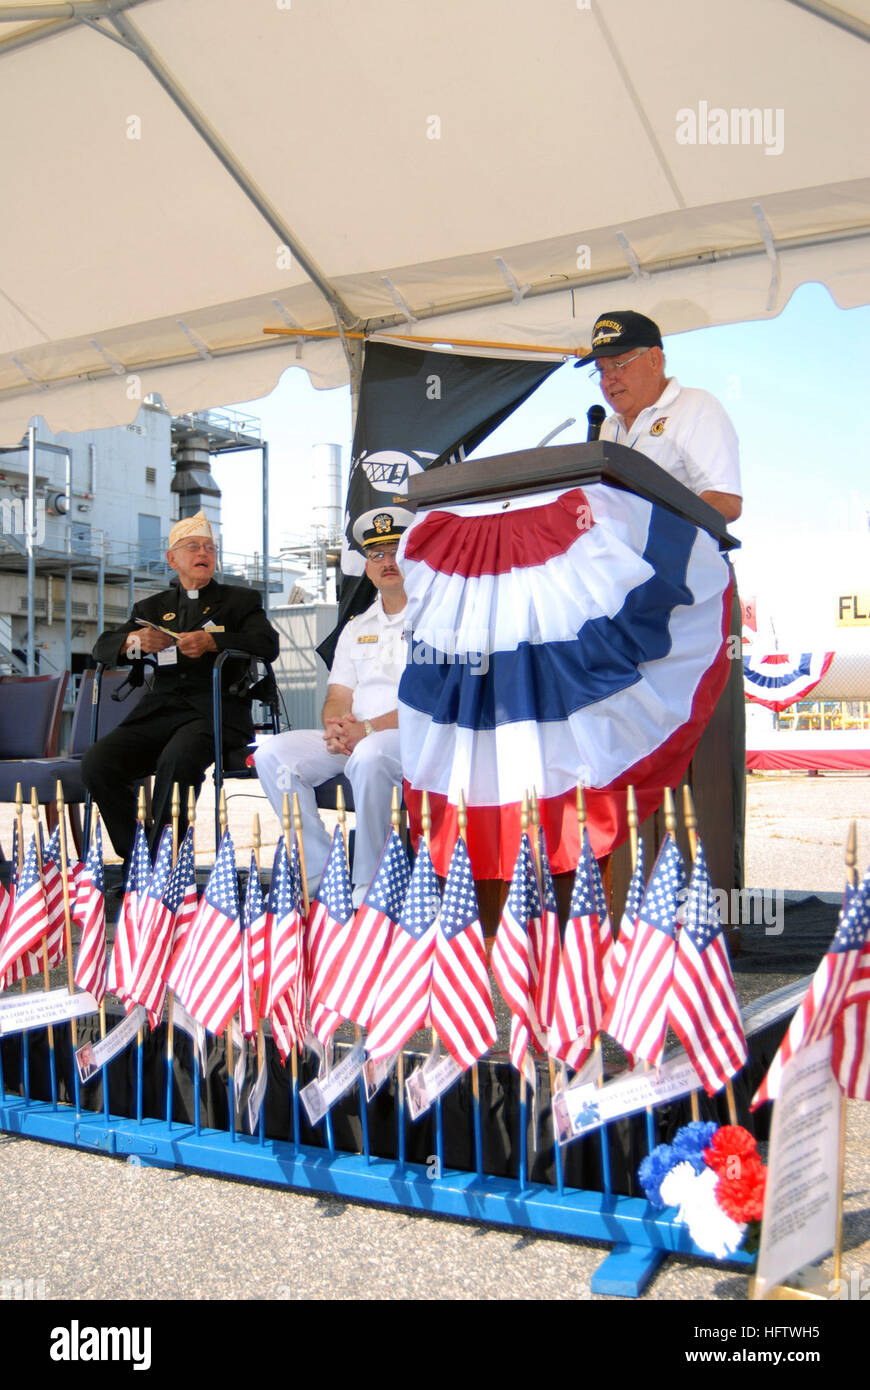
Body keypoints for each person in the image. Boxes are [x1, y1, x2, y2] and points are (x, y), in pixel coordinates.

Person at [82, 511, 279, 863]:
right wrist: (135, 641)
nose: (203, 553)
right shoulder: (152, 607)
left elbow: (267, 645)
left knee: (178, 759)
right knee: (99, 762)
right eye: (193, 547)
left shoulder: (240, 600)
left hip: (216, 710)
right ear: (173, 558)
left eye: (209, 548)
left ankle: (163, 866)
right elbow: (101, 649)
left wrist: (211, 643)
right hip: (161, 711)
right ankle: (137, 859)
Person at [254, 506, 411, 907]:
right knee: (274, 754)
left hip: (413, 739)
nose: (387, 561)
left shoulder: (433, 617)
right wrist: (337, 727)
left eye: (396, 550)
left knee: (372, 756)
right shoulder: (357, 627)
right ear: (368, 566)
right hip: (357, 739)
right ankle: (320, 876)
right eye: (377, 554)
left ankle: (370, 885)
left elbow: (430, 701)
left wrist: (367, 731)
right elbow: (339, 693)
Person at [576, 310, 742, 521]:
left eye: (618, 364)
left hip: (674, 552)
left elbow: (725, 501)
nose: (609, 379)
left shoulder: (695, 407)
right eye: (601, 370)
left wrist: (650, 529)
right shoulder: (609, 426)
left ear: (654, 360)